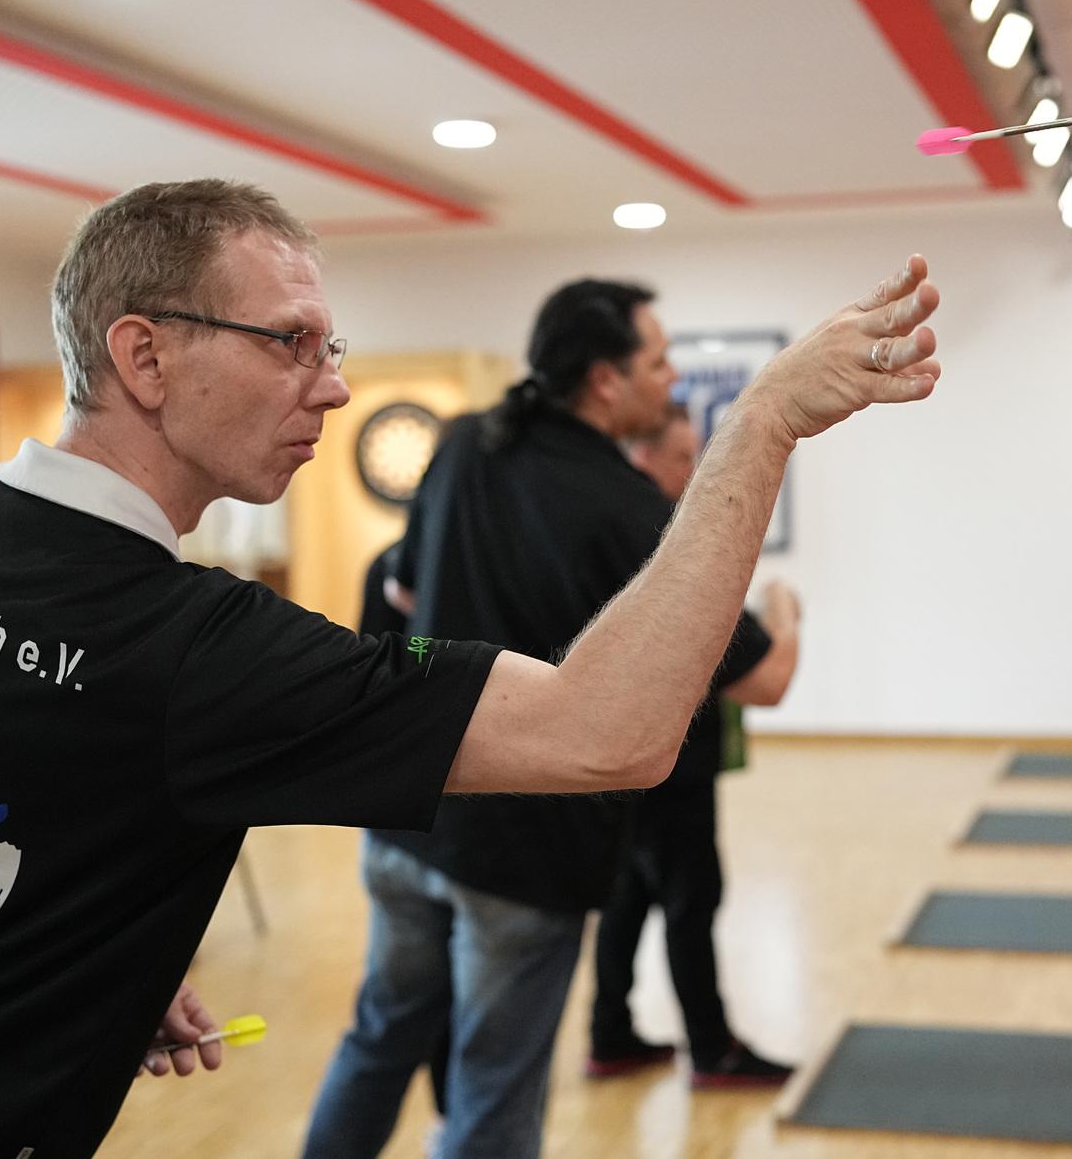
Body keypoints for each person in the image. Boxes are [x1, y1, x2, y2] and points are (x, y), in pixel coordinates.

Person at [0, 179, 941, 1158]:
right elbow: (607, 730)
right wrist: (760, 424)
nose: (335, 381)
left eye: (333, 342)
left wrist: (64, 938)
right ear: (145, 357)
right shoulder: (193, 646)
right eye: (290, 341)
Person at [305, 279, 779, 1158]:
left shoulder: (458, 448)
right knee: (493, 1090)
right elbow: (763, 680)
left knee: (378, 1040)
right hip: (519, 857)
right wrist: (783, 615)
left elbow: (401, 585)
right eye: (658, 361)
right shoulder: (626, 507)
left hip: (408, 819)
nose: (671, 381)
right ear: (604, 380)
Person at [587, 407, 800, 1088]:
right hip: (668, 764)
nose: (693, 472)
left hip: (615, 756)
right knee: (689, 897)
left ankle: (610, 1034)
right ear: (642, 459)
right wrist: (784, 612)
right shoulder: (662, 545)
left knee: (629, 894)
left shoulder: (603, 534)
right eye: (683, 457)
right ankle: (713, 1049)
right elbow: (767, 682)